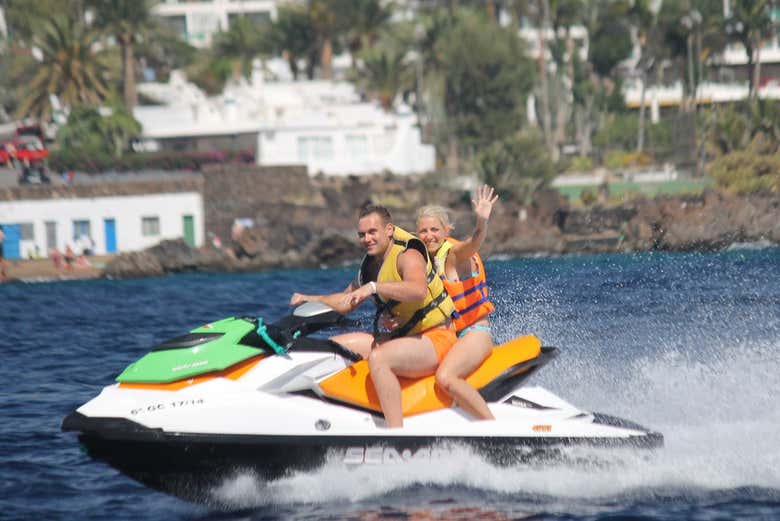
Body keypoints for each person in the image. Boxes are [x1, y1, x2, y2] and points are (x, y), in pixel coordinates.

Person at [290, 204, 456, 428]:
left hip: (437, 339)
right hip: (406, 339)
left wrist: (373, 288)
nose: (366, 239)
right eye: (362, 235)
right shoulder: (371, 264)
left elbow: (418, 290)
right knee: (336, 346)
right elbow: (346, 301)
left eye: (372, 232)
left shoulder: (408, 254)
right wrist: (312, 299)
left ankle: (396, 434)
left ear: (388, 230)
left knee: (379, 358)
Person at [415, 184, 499, 420]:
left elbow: (473, 243)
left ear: (446, 230)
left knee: (445, 377)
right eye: (423, 231)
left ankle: (493, 428)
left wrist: (481, 223)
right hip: (449, 338)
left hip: (474, 334)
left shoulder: (452, 256)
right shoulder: (424, 263)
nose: (429, 235)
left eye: (434, 229)